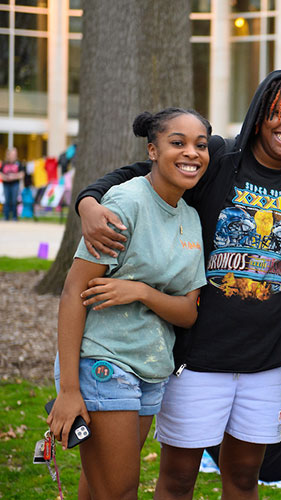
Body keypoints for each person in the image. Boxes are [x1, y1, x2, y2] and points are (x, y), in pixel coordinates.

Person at [75, 70, 281, 500]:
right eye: (279, 112)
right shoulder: (217, 157)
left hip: (267, 362)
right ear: (259, 114)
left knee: (242, 479)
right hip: (197, 358)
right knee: (179, 478)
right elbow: (135, 173)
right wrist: (87, 201)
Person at [46, 108, 210, 500]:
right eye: (178, 143)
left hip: (151, 370)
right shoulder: (125, 203)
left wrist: (142, 292)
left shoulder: (190, 218)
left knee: (98, 488)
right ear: (152, 150)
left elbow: (188, 312)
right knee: (119, 491)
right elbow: (73, 293)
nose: (192, 152)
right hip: (105, 364)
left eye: (200, 145)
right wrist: (69, 390)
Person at [1, 147, 24, 221]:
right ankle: (6, 216)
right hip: (6, 184)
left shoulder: (18, 163)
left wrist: (13, 176)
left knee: (14, 200)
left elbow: (22, 174)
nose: (14, 155)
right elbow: (0, 173)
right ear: (9, 155)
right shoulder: (4, 163)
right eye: (13, 154)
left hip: (15, 184)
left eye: (15, 154)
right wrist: (5, 177)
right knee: (7, 200)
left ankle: (15, 217)